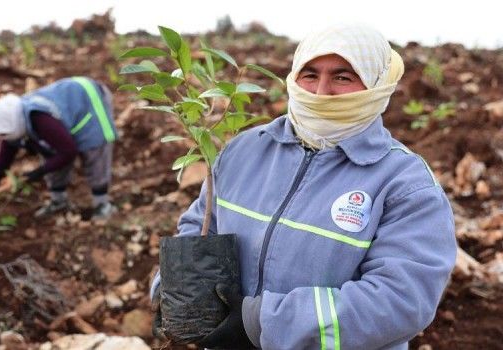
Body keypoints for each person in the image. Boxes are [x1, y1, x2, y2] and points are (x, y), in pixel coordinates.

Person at [151, 24, 457, 349]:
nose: (320, 91)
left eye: (342, 77)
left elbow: (401, 301)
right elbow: (201, 227)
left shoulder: (404, 183)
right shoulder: (244, 151)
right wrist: (171, 290)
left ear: (375, 86)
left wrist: (260, 322)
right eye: (309, 75)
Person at [0, 76, 118, 219]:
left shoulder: (41, 119)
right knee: (51, 152)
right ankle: (59, 201)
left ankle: (102, 204)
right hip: (65, 116)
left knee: (94, 147)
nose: (3, 136)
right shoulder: (10, 129)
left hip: (87, 99)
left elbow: (68, 152)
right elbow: (1, 164)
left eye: (4, 133)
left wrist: (39, 172)